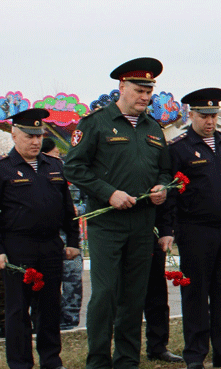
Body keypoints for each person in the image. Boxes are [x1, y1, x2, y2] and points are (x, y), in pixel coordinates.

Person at [64, 57, 172, 369]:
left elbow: (164, 172)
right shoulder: (96, 123)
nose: (145, 97)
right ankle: (97, 359)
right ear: (122, 87)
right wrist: (108, 192)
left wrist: (162, 188)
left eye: (149, 91)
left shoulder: (154, 128)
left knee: (134, 296)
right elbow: (73, 166)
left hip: (142, 224)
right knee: (106, 293)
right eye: (139, 90)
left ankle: (126, 360)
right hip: (107, 225)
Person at [165, 87, 221, 369]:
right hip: (195, 230)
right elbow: (171, 194)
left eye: (214, 116)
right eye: (204, 116)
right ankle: (195, 354)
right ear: (191, 115)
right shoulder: (179, 148)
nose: (210, 121)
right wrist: (171, 229)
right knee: (195, 293)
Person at [0, 108, 80, 369]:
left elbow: (68, 210)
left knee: (49, 308)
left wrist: (73, 242)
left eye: (39, 135)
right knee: (17, 310)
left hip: (50, 246)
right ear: (14, 135)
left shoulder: (55, 165)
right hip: (17, 248)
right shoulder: (4, 168)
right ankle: (20, 364)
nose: (35, 141)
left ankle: (51, 361)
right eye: (28, 136)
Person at [41, 137, 86, 331]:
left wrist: (78, 209)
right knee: (45, 283)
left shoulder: (71, 173)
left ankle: (69, 322)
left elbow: (89, 199)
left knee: (73, 281)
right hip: (45, 236)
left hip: (71, 236)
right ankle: (45, 322)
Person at [143, 207, 183, 364]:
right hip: (125, 230)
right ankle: (126, 352)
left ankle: (158, 347)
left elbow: (165, 202)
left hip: (154, 231)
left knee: (157, 293)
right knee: (127, 296)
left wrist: (165, 229)